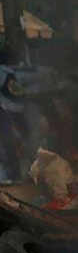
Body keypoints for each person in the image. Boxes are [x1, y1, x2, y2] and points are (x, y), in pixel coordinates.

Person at [0, 48, 25, 183]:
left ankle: (14, 175)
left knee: (8, 144)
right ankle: (16, 175)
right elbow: (19, 94)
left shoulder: (3, 73)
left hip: (4, 112)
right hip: (10, 112)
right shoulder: (9, 73)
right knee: (9, 144)